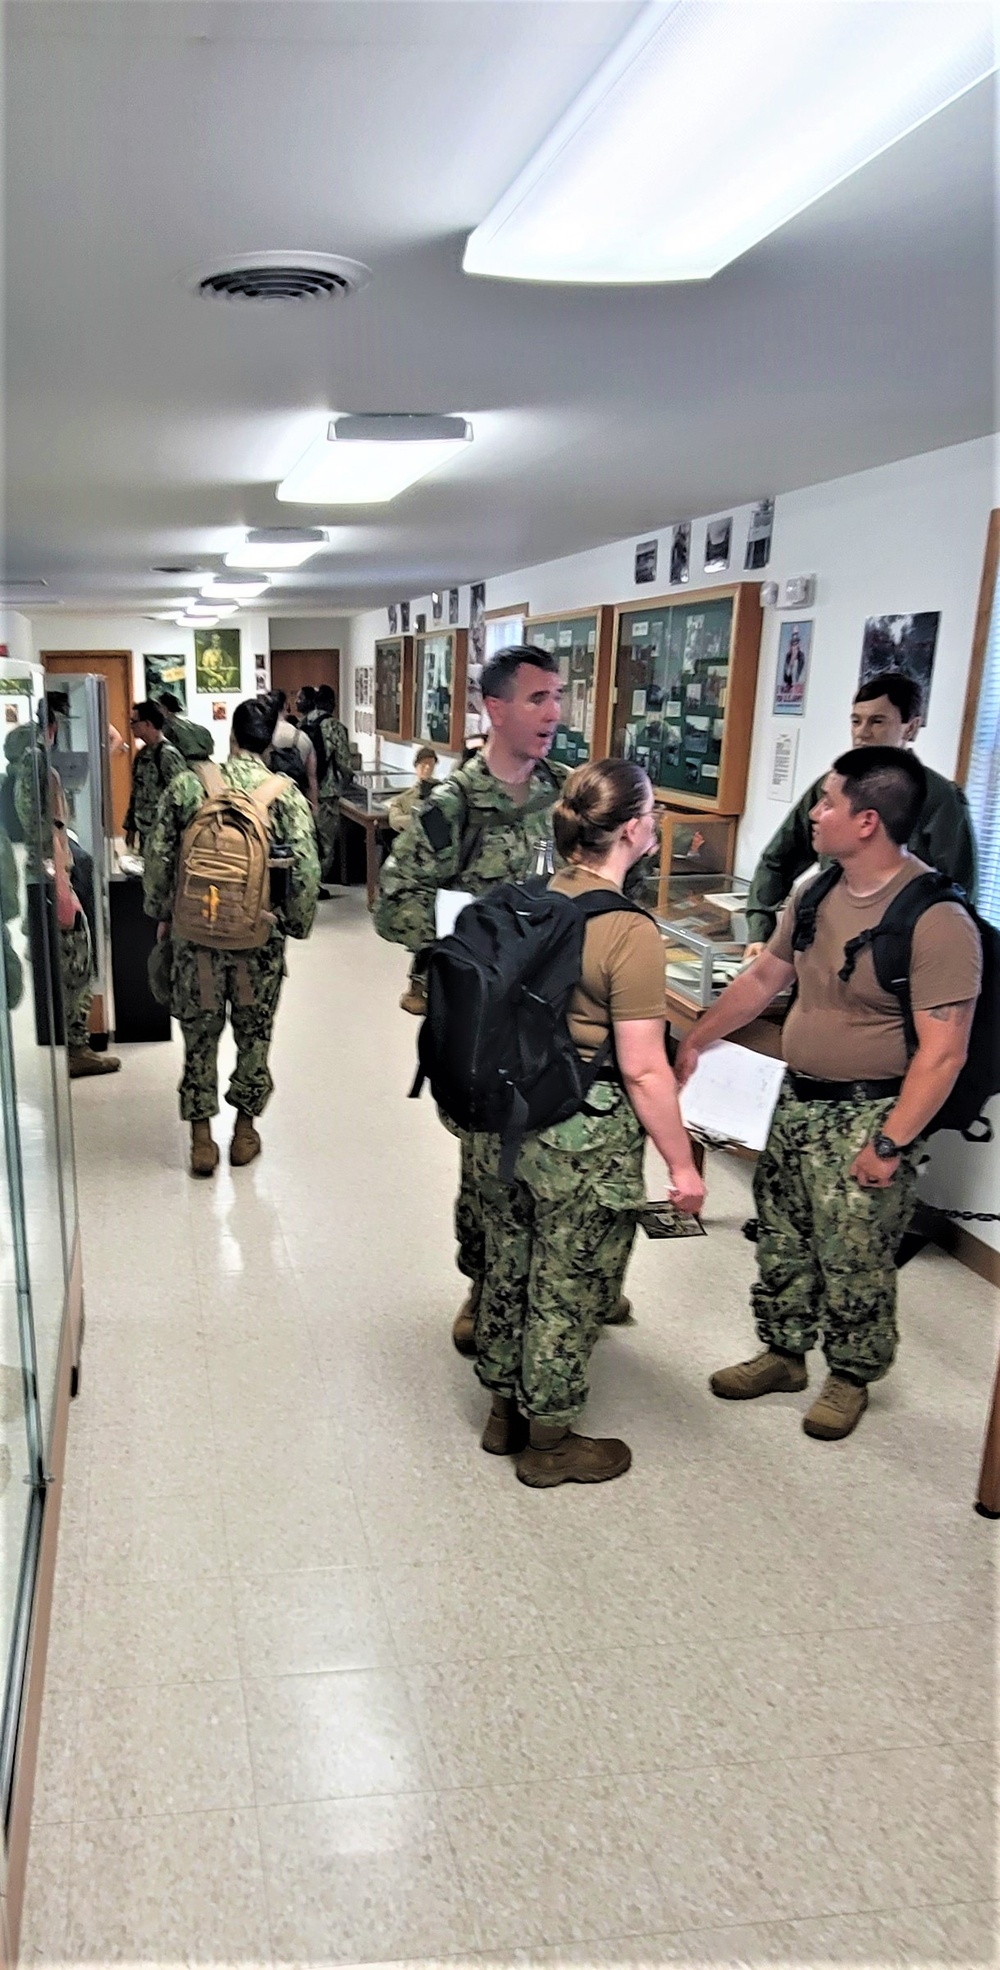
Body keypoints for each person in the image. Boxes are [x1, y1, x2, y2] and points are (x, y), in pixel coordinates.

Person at [676, 747, 981, 1442]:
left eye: (829, 802)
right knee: (782, 1235)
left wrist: (890, 1142)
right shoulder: (816, 891)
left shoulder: (937, 920)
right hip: (798, 1100)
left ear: (868, 821)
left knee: (855, 1253)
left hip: (870, 1111)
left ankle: (850, 1375)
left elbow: (945, 1053)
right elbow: (764, 980)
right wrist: (700, 1034)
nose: (815, 814)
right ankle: (783, 1353)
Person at [472, 759, 705, 1485]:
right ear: (633, 830)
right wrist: (682, 1164)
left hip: (507, 1120)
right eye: (654, 815)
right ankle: (550, 1443)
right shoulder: (629, 932)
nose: (658, 826)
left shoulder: (524, 899)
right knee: (566, 1284)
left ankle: (502, 1412)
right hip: (583, 1132)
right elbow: (641, 1067)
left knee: (510, 1262)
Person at [376, 643, 575, 1352]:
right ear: (495, 708)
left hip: (561, 1022)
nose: (555, 711)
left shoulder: (568, 798)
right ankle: (484, 1282)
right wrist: (482, 931)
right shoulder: (452, 808)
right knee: (490, 1169)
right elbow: (393, 907)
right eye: (537, 699)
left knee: (562, 1160)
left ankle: (569, 1283)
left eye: (557, 696)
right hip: (484, 1026)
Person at [142, 697, 319, 1176]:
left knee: (199, 1036)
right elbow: (304, 875)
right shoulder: (285, 795)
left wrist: (162, 915)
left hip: (194, 940)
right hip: (257, 941)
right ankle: (244, 1132)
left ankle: (201, 1140)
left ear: (232, 738)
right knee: (254, 1035)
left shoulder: (187, 786)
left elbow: (158, 860)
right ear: (269, 740)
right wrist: (293, 926)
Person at [743, 671, 978, 960]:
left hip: (895, 957)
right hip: (826, 946)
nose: (862, 732)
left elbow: (958, 892)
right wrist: (759, 930)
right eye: (856, 720)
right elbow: (779, 858)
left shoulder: (938, 797)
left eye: (877, 721)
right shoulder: (830, 788)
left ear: (911, 727)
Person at [14, 692, 121, 1078]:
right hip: (54, 874)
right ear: (55, 727)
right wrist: (64, 887)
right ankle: (78, 1048)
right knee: (76, 964)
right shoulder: (47, 770)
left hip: (36, 872)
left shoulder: (24, 764)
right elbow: (53, 831)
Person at [123, 701, 185, 855]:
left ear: (148, 724)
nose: (131, 726)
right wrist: (130, 828)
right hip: (146, 832)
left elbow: (181, 796)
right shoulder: (142, 754)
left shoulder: (167, 754)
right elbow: (136, 793)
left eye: (134, 722)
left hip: (164, 836)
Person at [309, 685, 353, 891]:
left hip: (305, 791)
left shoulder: (303, 723)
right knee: (326, 841)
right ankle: (316, 885)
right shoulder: (334, 726)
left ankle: (307, 881)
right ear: (332, 703)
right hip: (327, 792)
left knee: (309, 838)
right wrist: (349, 779)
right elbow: (344, 761)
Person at [263, 691, 318, 811]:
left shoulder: (261, 737)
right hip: (296, 802)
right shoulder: (302, 737)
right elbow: (311, 777)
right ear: (285, 706)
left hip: (267, 801)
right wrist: (314, 807)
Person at [387, 747, 438, 833]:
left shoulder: (441, 791)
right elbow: (395, 819)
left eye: (431, 765)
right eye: (423, 765)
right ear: (416, 766)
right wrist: (416, 822)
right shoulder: (404, 798)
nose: (427, 769)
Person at [157, 691, 214, 764]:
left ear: (164, 708)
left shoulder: (167, 727)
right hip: (206, 763)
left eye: (159, 706)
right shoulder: (189, 724)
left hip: (187, 764)